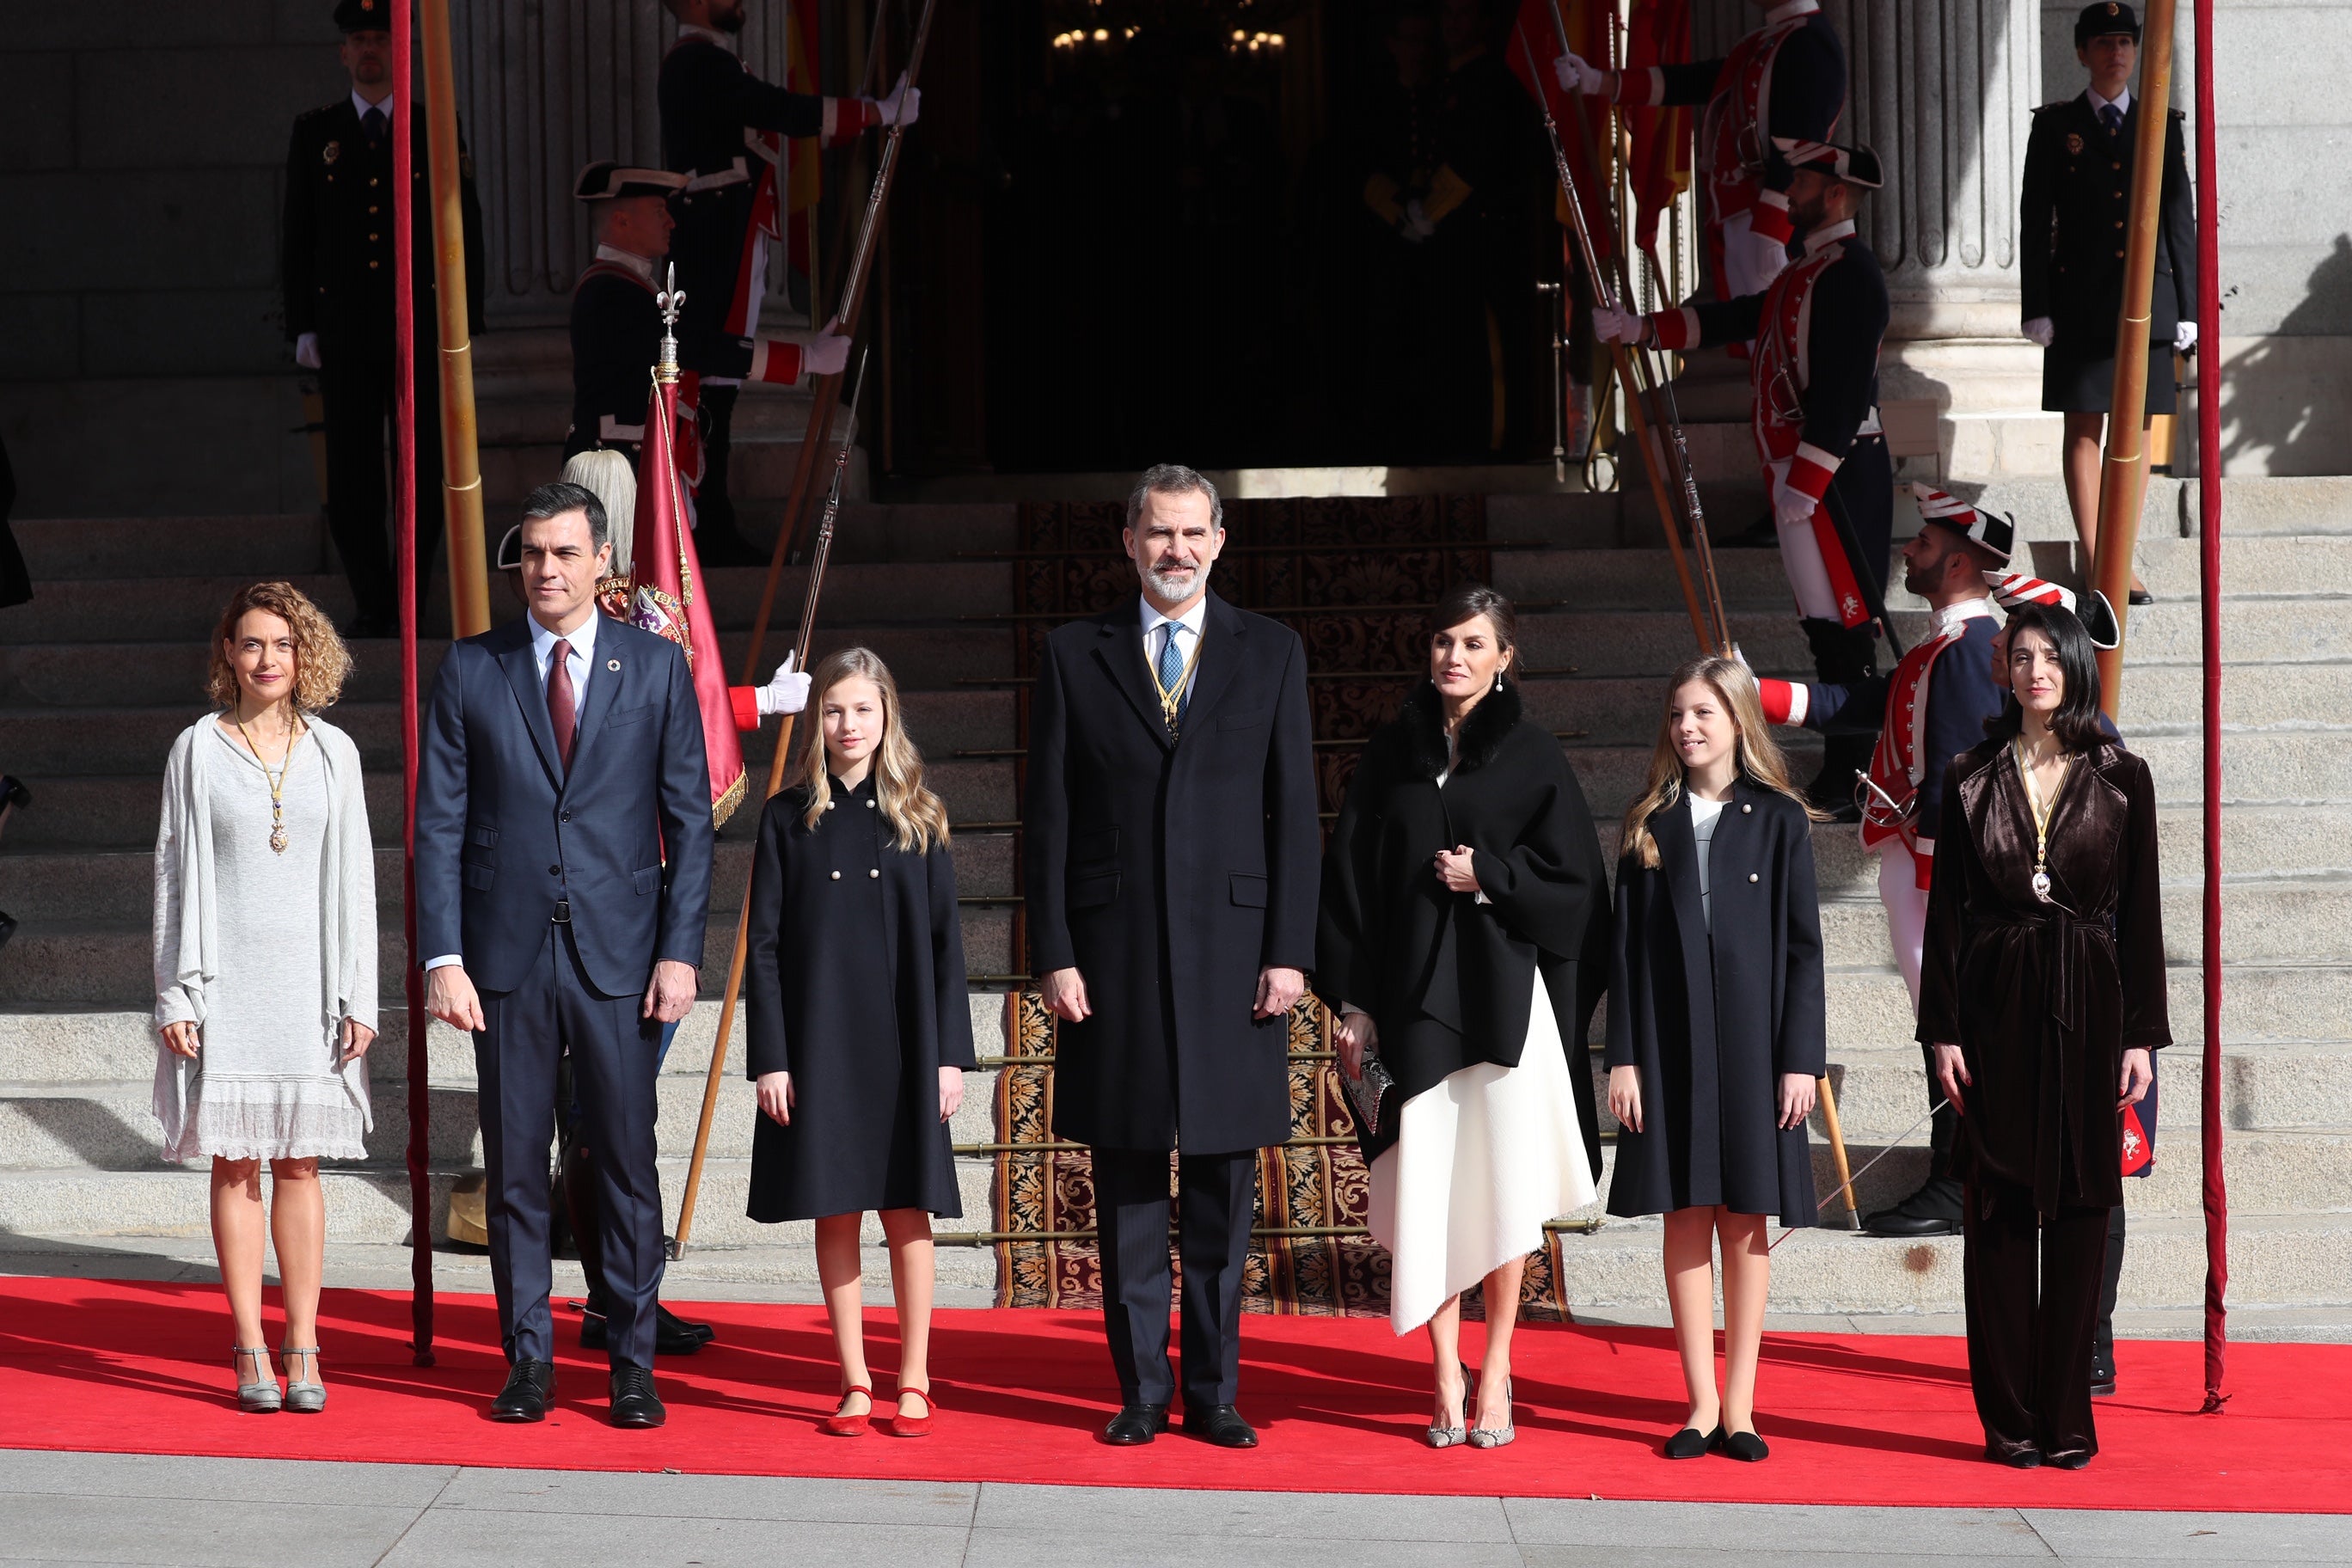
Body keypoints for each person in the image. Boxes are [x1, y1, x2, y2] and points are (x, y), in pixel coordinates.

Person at [1024, 463, 1318, 1450]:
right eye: (1160, 534)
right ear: (1129, 540)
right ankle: (1142, 1391)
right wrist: (1054, 950)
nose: (1177, 551)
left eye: (1195, 534)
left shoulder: (1272, 652)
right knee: (1131, 1186)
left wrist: (1290, 951)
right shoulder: (1075, 653)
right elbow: (1049, 817)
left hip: (1239, 956)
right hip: (1113, 958)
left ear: (1221, 541)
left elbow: (1296, 819)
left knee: (1223, 1192)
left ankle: (1216, 1392)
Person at [416, 481, 715, 1429]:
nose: (544, 569)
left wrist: (680, 952)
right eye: (531, 554)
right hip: (503, 961)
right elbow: (439, 826)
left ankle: (631, 1359)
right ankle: (528, 1361)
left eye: (562, 553)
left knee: (626, 1159)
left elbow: (690, 825)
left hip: (622, 956)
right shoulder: (472, 668)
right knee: (513, 1167)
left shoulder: (655, 668)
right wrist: (442, 959)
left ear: (602, 563)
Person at [1315, 584, 1608, 1449]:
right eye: (1445, 640)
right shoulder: (1389, 755)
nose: (1456, 656)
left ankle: (1501, 1367)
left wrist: (1492, 878)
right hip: (1411, 1005)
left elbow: (1581, 889)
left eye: (1475, 643)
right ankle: (1444, 1371)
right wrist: (1357, 1005)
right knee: (1427, 1189)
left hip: (1506, 1004)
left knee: (1506, 1191)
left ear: (1505, 657)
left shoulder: (1533, 756)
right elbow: (1350, 888)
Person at [1917, 602, 2169, 1468]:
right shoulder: (1967, 773)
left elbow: (2141, 914)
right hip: (1992, 1004)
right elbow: (1945, 910)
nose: (2034, 671)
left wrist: (2141, 1036)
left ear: (2074, 665)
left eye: (2048, 656)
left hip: (2092, 1004)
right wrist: (1941, 1030)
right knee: (1995, 1211)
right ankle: (2009, 1422)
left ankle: (2067, 1419)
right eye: (2019, 656)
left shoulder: (2124, 775)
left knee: (2081, 1207)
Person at [1596, 138, 1892, 815]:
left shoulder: (1854, 272)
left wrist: (1811, 476)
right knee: (1821, 625)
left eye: (1807, 183)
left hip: (1838, 474)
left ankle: (1858, 768)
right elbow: (1739, 317)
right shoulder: (1805, 268)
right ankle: (1845, 762)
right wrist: (1644, 327)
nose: (1792, 192)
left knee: (1849, 626)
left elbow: (1846, 387)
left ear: (1838, 194)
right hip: (1800, 470)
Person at [1753, 486, 2018, 1238]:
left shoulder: (1970, 649)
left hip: (1938, 872)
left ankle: (1961, 1178)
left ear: (1961, 561)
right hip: (1916, 863)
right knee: (1941, 1019)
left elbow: (1956, 778)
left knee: (1952, 1019)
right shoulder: (1948, 642)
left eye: (1926, 545)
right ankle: (1960, 1174)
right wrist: (1763, 696)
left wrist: (1939, 884)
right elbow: (1870, 700)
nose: (1909, 551)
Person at [152, 582, 377, 1412]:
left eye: (282, 644)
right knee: (235, 1157)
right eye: (251, 644)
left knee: (301, 1161)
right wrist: (176, 994)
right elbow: (174, 876)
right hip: (228, 984)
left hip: (312, 986)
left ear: (304, 653)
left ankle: (304, 1344)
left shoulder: (335, 752)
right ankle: (249, 1343)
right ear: (228, 657)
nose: (267, 659)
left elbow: (357, 878)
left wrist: (361, 996)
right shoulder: (197, 749)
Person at [744, 647, 973, 1438]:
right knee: (834, 1210)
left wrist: (950, 1057)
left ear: (887, 719)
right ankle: (854, 1379)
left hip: (908, 1044)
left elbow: (947, 948)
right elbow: (762, 948)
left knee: (908, 1212)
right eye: (835, 710)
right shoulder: (786, 816)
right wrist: (770, 1057)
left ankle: (914, 1378)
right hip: (817, 1046)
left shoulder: (922, 817)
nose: (848, 724)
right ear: (819, 719)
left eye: (863, 710)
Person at [1606, 656, 1826, 1463]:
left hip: (1757, 1046)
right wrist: (1621, 1060)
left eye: (1703, 713)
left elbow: (1805, 950)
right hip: (1667, 1046)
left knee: (1745, 1219)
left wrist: (1801, 1060)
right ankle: (1698, 1402)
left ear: (1738, 722)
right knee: (1685, 1212)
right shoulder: (1646, 823)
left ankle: (1742, 1407)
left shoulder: (1779, 819)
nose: (1687, 728)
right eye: (1676, 714)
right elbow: (1624, 957)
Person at [659, 0, 915, 566]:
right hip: (712, 242)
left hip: (733, 236)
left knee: (720, 389)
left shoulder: (714, 61)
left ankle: (713, 521)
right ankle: (702, 527)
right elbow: (776, 109)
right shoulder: (695, 61)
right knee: (709, 374)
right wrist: (874, 113)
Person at [280, 0, 485, 639]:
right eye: (360, 39)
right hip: (345, 332)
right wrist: (302, 326)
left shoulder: (433, 126)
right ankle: (373, 600)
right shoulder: (317, 132)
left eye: (381, 38)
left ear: (402, 52)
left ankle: (412, 600)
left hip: (419, 330)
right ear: (344, 53)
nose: (370, 49)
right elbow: (298, 234)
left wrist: (465, 321)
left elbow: (465, 229)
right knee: (354, 474)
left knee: (423, 472)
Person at [2022, 2, 2197, 607]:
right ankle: (2099, 562)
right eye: (2103, 43)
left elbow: (2180, 218)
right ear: (2081, 52)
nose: (2116, 54)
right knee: (2084, 428)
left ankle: (2121, 557)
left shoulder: (2160, 122)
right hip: (2078, 303)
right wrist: (2035, 304)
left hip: (2149, 300)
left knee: (2140, 430)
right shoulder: (2054, 126)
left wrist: (2190, 308)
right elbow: (2033, 219)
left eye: (2125, 43)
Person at [565, 162, 848, 477]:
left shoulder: (627, 284)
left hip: (633, 460)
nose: (671, 222)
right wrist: (803, 359)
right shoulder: (609, 290)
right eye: (659, 211)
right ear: (622, 221)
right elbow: (694, 346)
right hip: (616, 467)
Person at [1555, 0, 1844, 301]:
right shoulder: (1771, 38)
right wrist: (1601, 81)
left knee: (1772, 336)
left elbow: (1800, 149)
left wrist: (1773, 232)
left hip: (1773, 225)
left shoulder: (1811, 44)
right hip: (1743, 212)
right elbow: (1699, 80)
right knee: (1750, 337)